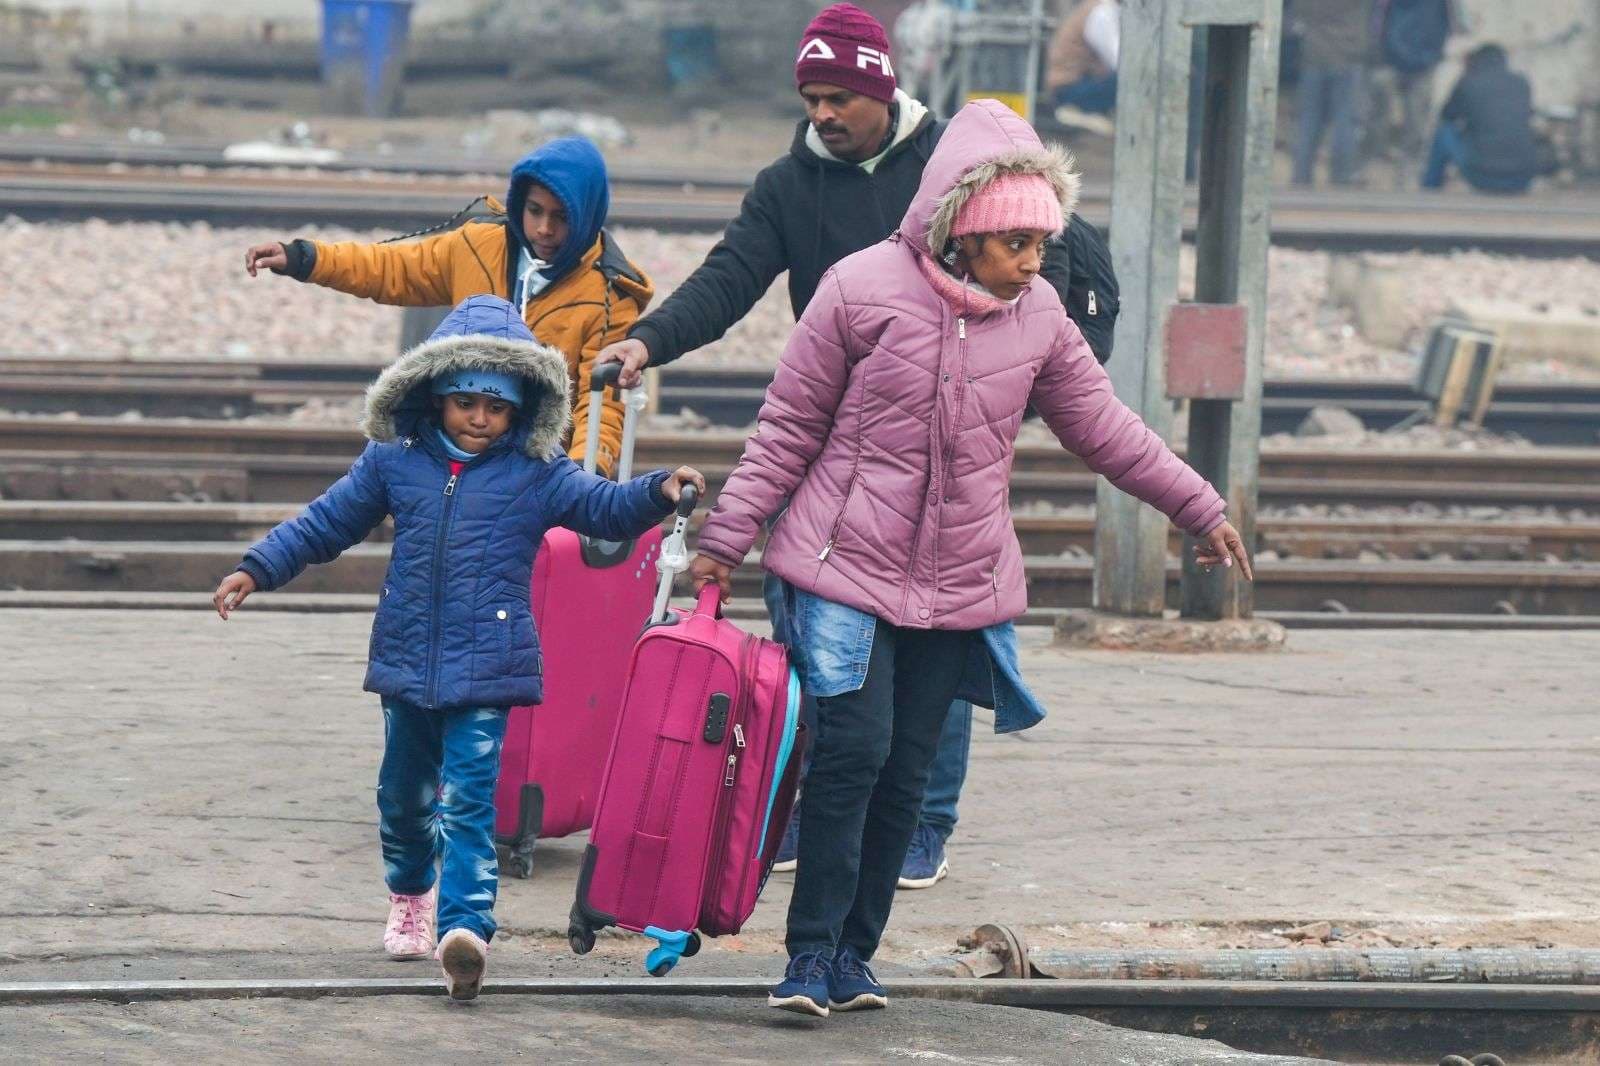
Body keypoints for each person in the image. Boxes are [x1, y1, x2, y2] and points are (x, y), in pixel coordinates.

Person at [688, 100, 1251, 1017]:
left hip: (957, 584)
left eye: (1042, 243)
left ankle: (855, 960)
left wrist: (1199, 506)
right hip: (842, 567)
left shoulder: (1041, 319)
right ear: (964, 231)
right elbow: (787, 427)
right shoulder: (859, 289)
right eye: (1018, 244)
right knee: (851, 756)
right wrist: (725, 540)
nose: (1035, 263)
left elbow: (1105, 429)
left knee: (905, 775)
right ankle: (808, 954)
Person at [597, 1, 1112, 894]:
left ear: (883, 90)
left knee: (937, 633)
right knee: (818, 627)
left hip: (944, 435)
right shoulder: (790, 185)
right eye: (811, 99)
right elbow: (730, 276)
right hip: (838, 433)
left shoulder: (952, 162)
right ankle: (822, 795)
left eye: (839, 98)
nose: (823, 115)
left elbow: (1045, 260)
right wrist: (649, 340)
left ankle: (923, 822)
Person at [211, 295, 703, 1001]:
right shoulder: (394, 461)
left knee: (470, 802)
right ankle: (411, 894)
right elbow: (325, 523)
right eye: (466, 401)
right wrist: (258, 567)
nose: (479, 417)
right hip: (407, 660)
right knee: (403, 799)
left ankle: (465, 930)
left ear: (521, 408)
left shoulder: (537, 471)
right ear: (435, 393)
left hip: (489, 664)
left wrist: (657, 490)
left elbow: (604, 507)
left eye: (496, 407)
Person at [242, 137, 652, 477]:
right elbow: (389, 268)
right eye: (535, 211)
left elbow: (601, 407)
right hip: (457, 456)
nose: (544, 228)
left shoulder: (610, 295)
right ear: (519, 204)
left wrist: (583, 483)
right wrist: (302, 259)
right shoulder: (476, 246)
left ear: (587, 215)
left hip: (539, 475)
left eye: (561, 217)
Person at [1421, 44, 1538, 195]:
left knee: (1444, 133)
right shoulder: (1521, 83)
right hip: (1523, 178)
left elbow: (1447, 116)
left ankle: (1430, 186)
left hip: (1483, 175)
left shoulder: (1468, 82)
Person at [1368, 0, 1457, 181]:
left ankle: (1378, 164)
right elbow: (1450, 23)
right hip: (1418, 60)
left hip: (1394, 58)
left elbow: (1377, 21)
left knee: (1383, 116)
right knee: (1415, 120)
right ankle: (1406, 168)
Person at [1289, 0, 1372, 186]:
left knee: (1308, 120)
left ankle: (1301, 175)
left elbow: (1298, 11)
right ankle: (1341, 176)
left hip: (1313, 55)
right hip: (1347, 55)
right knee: (1345, 119)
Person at [1046, 0, 1120, 137]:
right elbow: (1117, 60)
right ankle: (1077, 111)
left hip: (1068, 88)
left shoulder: (1096, 7)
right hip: (1071, 90)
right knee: (1126, 80)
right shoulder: (1102, 11)